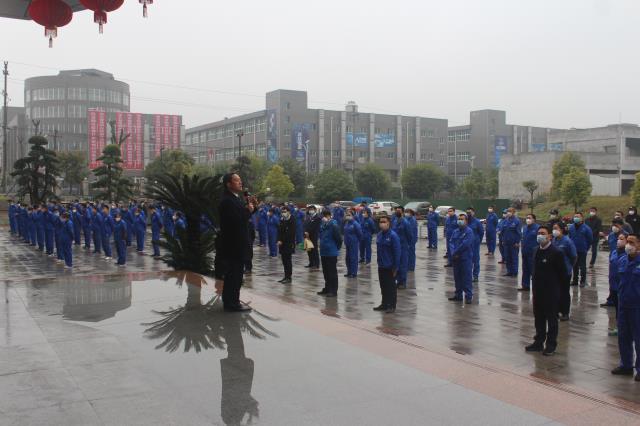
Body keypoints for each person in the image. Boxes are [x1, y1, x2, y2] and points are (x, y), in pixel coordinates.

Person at [215, 173, 255, 312]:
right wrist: (248, 211)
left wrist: (251, 209)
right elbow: (236, 221)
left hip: (237, 244)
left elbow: (242, 217)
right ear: (228, 184)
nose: (240, 182)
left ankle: (231, 301)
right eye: (237, 180)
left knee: (235, 275)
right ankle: (232, 304)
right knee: (234, 275)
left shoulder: (234, 198)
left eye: (240, 180)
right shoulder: (227, 201)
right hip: (234, 245)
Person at [525, 226, 565, 356]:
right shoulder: (535, 250)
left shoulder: (556, 252)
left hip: (551, 292)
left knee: (552, 320)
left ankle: (551, 345)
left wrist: (558, 291)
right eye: (538, 233)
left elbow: (563, 274)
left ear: (549, 236)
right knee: (539, 318)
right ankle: (538, 342)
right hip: (538, 291)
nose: (540, 235)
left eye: (543, 233)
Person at [611, 233, 640, 381]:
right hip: (623, 305)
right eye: (627, 241)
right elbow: (617, 281)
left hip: (637, 307)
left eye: (632, 242)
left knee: (638, 338)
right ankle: (626, 365)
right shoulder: (622, 260)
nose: (628, 245)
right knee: (623, 337)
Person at [375, 216, 401, 313]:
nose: (382, 223)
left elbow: (397, 252)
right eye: (380, 222)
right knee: (383, 286)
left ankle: (391, 305)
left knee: (391, 287)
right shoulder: (379, 235)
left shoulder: (393, 236)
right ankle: (384, 304)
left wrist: (395, 267)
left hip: (390, 266)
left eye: (384, 222)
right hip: (381, 265)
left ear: (388, 223)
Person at [551, 222, 577, 321]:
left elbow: (574, 256)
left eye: (556, 228)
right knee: (556, 292)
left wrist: (569, 267)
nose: (554, 230)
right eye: (553, 228)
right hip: (555, 271)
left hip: (565, 271)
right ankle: (557, 310)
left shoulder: (567, 241)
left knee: (564, 292)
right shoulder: (554, 240)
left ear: (561, 230)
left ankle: (565, 312)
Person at [602, 219, 628, 308]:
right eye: (613, 225)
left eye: (616, 226)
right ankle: (611, 299)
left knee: (620, 280)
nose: (614, 227)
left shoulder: (626, 234)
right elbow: (610, 246)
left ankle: (619, 300)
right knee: (612, 278)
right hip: (613, 257)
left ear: (621, 226)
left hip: (622, 258)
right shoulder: (611, 235)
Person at [448, 213, 474, 304]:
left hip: (465, 258)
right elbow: (451, 243)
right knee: (457, 277)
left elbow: (465, 244)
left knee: (466, 278)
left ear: (466, 221)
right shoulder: (455, 231)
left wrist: (456, 252)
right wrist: (453, 253)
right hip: (456, 258)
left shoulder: (469, 231)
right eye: (459, 219)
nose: (460, 221)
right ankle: (458, 295)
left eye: (462, 219)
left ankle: (468, 296)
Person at [606, 233, 628, 336]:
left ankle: (623, 328)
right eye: (618, 238)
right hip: (613, 285)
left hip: (622, 286)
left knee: (623, 309)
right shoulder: (614, 252)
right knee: (617, 308)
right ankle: (619, 327)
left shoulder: (628, 255)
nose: (619, 241)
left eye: (622, 239)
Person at [317, 210, 342, 297]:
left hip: (331, 252)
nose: (322, 218)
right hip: (323, 252)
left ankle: (333, 290)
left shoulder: (334, 225)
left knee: (332, 272)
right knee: (326, 272)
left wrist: (335, 248)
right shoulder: (323, 225)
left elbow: (339, 239)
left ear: (328, 216)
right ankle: (327, 288)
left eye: (323, 216)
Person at [568, 212, 593, 287]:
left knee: (582, 266)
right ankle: (575, 280)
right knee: (574, 266)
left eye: (578, 216)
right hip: (573, 250)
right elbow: (569, 237)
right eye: (575, 216)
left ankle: (582, 281)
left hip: (582, 250)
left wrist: (586, 247)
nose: (576, 218)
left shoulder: (586, 228)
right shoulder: (571, 227)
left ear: (582, 218)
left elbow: (590, 239)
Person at [520, 214, 541, 291]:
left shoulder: (538, 228)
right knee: (525, 270)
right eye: (527, 218)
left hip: (533, 253)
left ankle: (537, 287)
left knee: (534, 271)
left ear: (534, 219)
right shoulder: (524, 228)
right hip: (525, 252)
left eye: (529, 218)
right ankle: (525, 285)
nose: (528, 219)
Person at [392, 206, 411, 289]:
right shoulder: (395, 221)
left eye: (399, 211)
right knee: (396, 264)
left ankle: (403, 282)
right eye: (396, 210)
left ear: (402, 212)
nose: (397, 212)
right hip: (396, 246)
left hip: (403, 246)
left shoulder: (406, 223)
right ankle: (398, 281)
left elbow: (409, 235)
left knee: (403, 265)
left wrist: (407, 244)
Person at [277, 207, 296, 284]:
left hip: (288, 243)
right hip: (282, 244)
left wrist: (281, 240)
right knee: (284, 261)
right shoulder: (282, 219)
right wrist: (278, 239)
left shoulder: (292, 220)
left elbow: (290, 233)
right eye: (282, 212)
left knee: (288, 261)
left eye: (285, 211)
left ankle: (288, 277)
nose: (283, 213)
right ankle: (285, 276)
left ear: (289, 212)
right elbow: (279, 231)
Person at [502, 208, 522, 277]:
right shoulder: (506, 220)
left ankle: (514, 272)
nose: (508, 213)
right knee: (507, 258)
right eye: (508, 211)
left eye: (510, 212)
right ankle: (509, 271)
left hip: (514, 243)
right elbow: (503, 231)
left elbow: (519, 233)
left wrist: (517, 242)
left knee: (514, 258)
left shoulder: (517, 221)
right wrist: (503, 240)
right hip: (506, 243)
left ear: (513, 212)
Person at [466, 207, 484, 282]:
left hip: (475, 244)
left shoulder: (477, 222)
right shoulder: (465, 221)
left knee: (476, 260)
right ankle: (468, 275)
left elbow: (481, 232)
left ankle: (475, 276)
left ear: (473, 213)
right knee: (467, 261)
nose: (468, 214)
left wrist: (478, 241)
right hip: (467, 245)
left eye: (470, 212)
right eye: (467, 212)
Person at [343, 210, 362, 278]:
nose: (347, 216)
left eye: (349, 215)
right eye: (347, 215)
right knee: (347, 258)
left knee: (353, 258)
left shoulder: (356, 224)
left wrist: (356, 241)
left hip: (353, 243)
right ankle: (349, 272)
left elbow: (360, 234)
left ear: (353, 216)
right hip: (347, 243)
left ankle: (354, 273)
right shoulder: (347, 223)